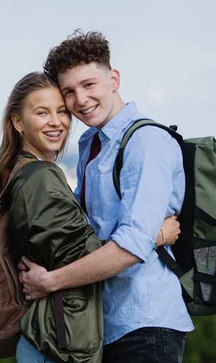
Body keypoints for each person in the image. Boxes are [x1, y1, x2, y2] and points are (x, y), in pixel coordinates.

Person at [18, 30, 194, 363]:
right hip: (104, 324)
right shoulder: (92, 145)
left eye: (89, 85)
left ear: (113, 79)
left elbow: (130, 246)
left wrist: (51, 281)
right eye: (69, 92)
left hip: (145, 324)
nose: (80, 100)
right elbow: (83, 232)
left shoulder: (146, 143)